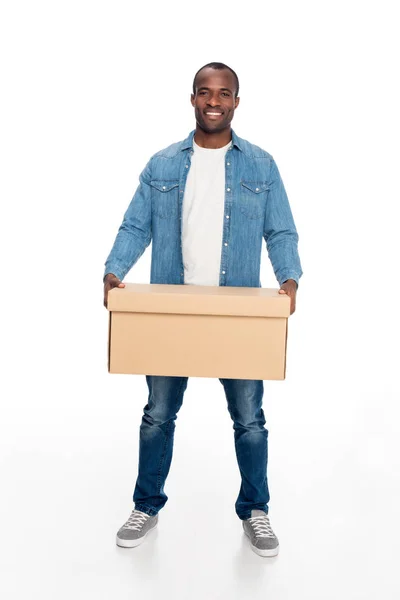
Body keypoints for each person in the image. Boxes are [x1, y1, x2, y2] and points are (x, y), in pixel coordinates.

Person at [103, 62, 303, 558]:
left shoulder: (261, 165)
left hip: (238, 312)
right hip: (173, 307)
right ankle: (146, 505)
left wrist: (289, 278)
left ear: (237, 101)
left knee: (249, 418)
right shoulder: (162, 164)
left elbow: (280, 231)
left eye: (224, 93)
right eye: (205, 92)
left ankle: (255, 511)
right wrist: (114, 270)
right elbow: (135, 226)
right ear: (192, 98)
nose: (214, 100)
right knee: (158, 414)